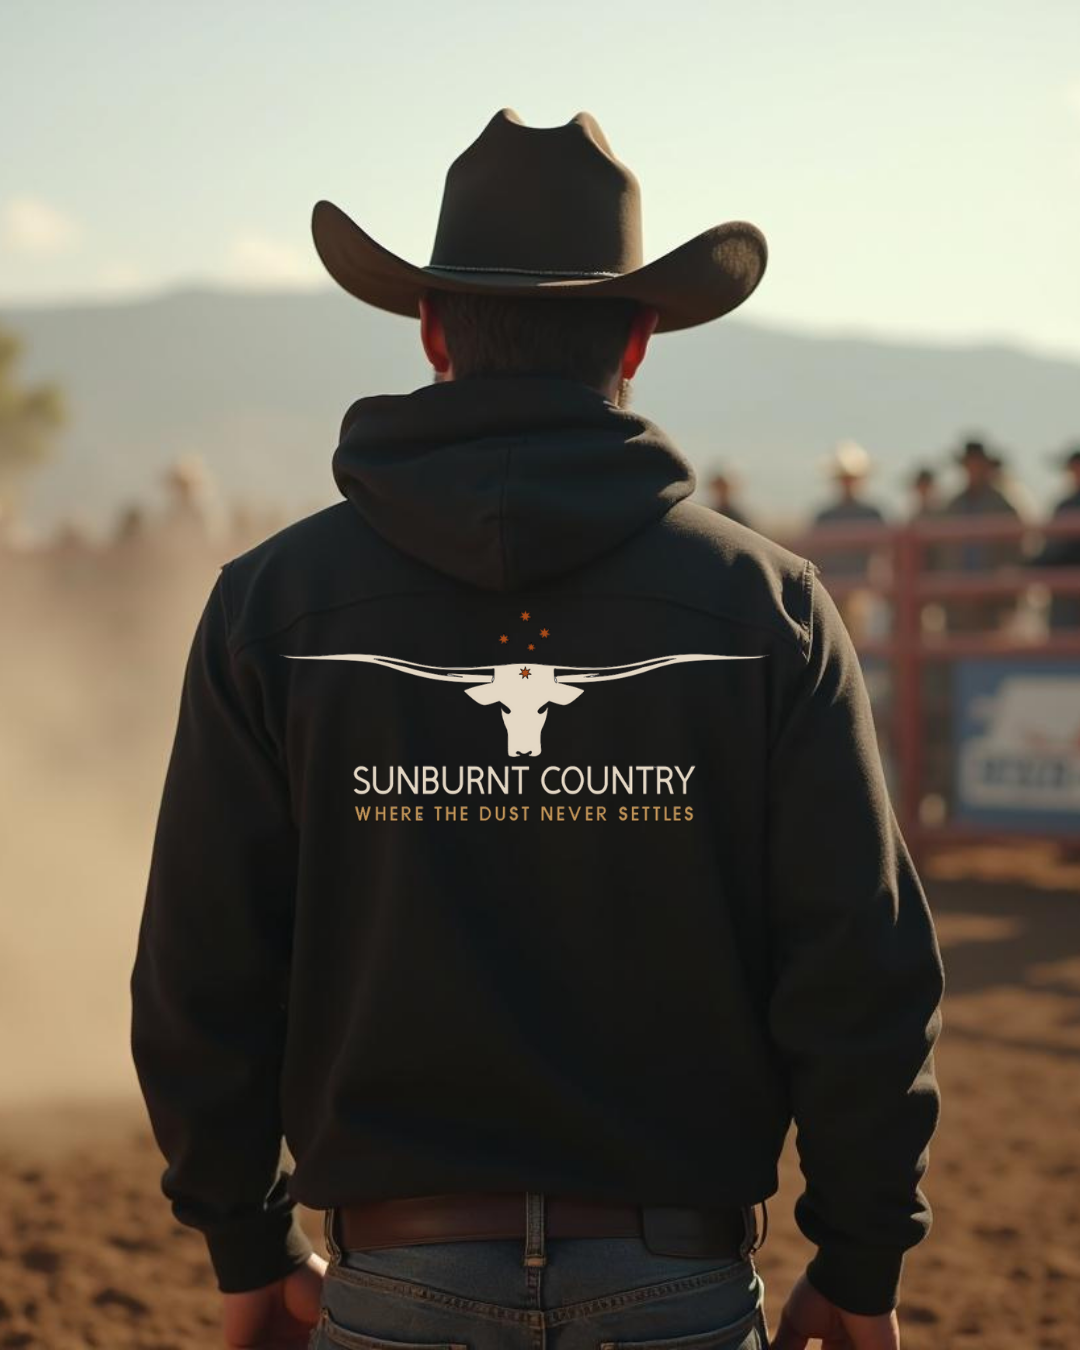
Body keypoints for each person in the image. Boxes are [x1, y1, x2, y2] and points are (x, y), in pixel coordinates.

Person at [130, 107, 944, 1350]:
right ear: (640, 335)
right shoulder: (764, 607)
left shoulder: (275, 605)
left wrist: (247, 1242)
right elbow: (859, 961)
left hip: (395, 1279)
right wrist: (863, 1252)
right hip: (673, 1274)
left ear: (432, 329)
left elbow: (204, 957)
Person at [937, 437, 1024, 632]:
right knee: (957, 643)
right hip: (958, 595)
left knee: (989, 647)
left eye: (977, 464)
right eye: (969, 464)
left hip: (991, 594)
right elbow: (943, 551)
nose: (973, 469)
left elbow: (1016, 546)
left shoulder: (1002, 504)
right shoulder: (953, 505)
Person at [1029, 444, 1080, 630]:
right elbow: (1053, 548)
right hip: (1066, 594)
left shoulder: (1065, 506)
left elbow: (1056, 549)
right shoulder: (1064, 506)